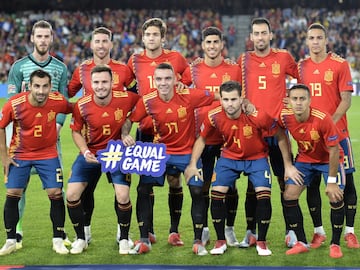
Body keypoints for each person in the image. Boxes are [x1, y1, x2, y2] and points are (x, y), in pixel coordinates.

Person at [184, 80, 295, 256]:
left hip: (257, 157)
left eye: (234, 99)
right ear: (220, 100)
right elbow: (202, 139)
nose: (230, 104)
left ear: (241, 98)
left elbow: (281, 136)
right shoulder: (214, 115)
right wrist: (192, 164)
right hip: (229, 157)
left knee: (263, 195)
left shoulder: (258, 115)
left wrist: (288, 165)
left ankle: (262, 242)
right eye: (226, 99)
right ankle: (221, 241)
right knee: (216, 193)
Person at [123, 62, 218, 255]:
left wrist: (242, 102)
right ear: (154, 80)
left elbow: (218, 96)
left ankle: (197, 241)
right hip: (160, 153)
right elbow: (129, 120)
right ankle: (144, 240)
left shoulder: (189, 95)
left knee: (198, 190)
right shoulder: (148, 100)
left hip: (187, 153)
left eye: (168, 78)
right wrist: (126, 134)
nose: (163, 83)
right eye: (159, 79)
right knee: (143, 188)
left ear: (176, 80)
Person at [67, 26, 137, 244]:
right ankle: (84, 233)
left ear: (111, 44)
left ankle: (122, 234)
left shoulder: (123, 70)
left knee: (122, 193)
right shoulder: (81, 70)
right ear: (91, 44)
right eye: (97, 41)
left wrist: (126, 127)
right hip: (91, 139)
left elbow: (137, 99)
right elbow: (67, 92)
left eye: (104, 41)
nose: (101, 45)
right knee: (84, 191)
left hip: (116, 143)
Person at [6, 19, 70, 249]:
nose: (43, 40)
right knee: (17, 188)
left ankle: (60, 234)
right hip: (21, 140)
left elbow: (64, 101)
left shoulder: (61, 68)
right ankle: (17, 232)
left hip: (51, 139)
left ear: (51, 39)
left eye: (46, 36)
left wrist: (59, 126)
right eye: (39, 36)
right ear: (32, 38)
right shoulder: (18, 67)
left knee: (57, 188)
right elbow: (12, 101)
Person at [236, 17, 300, 248]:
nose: (260, 37)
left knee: (286, 183)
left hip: (278, 131)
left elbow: (303, 79)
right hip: (253, 133)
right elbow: (234, 89)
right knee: (253, 187)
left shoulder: (283, 57)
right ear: (251, 36)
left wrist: (293, 99)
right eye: (256, 33)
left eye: (264, 33)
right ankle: (251, 232)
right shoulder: (243, 60)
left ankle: (290, 231)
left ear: (271, 35)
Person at [127, 18, 189, 245]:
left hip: (173, 132)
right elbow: (125, 85)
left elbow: (190, 81)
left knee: (174, 180)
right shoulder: (134, 60)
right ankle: (148, 232)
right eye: (148, 35)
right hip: (145, 131)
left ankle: (174, 231)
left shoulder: (176, 59)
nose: (151, 38)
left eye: (156, 35)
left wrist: (182, 85)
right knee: (145, 183)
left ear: (163, 38)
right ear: (143, 38)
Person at [298, 22, 359, 249]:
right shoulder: (301, 67)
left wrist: (327, 125)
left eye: (319, 38)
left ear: (326, 40)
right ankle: (318, 232)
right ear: (306, 41)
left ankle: (350, 232)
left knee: (348, 183)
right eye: (311, 38)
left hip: (338, 134)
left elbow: (346, 100)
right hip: (310, 140)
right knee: (312, 185)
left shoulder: (339, 64)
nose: (315, 42)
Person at [0, 69, 73, 256]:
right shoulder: (14, 104)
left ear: (50, 87)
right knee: (13, 193)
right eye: (37, 86)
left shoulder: (56, 100)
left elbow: (75, 110)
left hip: (48, 153)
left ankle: (58, 239)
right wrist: (4, 156)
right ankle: (10, 240)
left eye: (45, 86)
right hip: (20, 153)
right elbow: (0, 126)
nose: (41, 91)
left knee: (55, 193)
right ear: (29, 86)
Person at [181, 26, 242, 247]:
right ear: (203, 45)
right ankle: (205, 228)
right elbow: (181, 90)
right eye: (208, 43)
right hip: (202, 137)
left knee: (231, 186)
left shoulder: (234, 69)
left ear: (222, 44)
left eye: (216, 42)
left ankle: (229, 229)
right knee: (203, 186)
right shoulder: (193, 69)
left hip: (229, 137)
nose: (212, 46)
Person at [280, 83, 346, 259]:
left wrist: (331, 182)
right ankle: (301, 242)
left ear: (309, 100)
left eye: (302, 99)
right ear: (289, 101)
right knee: (289, 195)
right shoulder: (285, 116)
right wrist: (288, 165)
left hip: (329, 159)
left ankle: (335, 244)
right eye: (295, 99)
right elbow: (280, 135)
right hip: (305, 159)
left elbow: (333, 150)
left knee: (335, 196)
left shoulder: (323, 118)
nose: (298, 103)